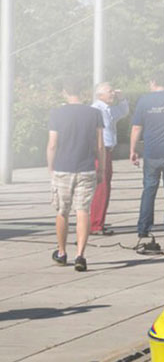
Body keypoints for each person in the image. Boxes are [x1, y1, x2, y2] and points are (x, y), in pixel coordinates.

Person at [47, 77, 105, 272]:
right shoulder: (94, 113)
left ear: (64, 92)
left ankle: (62, 253)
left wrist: (51, 167)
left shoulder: (56, 113)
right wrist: (102, 169)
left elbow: (53, 144)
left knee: (62, 211)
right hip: (87, 168)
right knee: (83, 211)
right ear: (83, 92)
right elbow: (99, 146)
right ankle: (81, 255)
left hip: (63, 168)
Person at [131, 71, 164, 239]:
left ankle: (144, 228)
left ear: (153, 82)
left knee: (149, 189)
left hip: (151, 153)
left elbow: (136, 127)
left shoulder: (144, 100)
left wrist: (133, 150)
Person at [89, 82, 129, 235]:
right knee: (101, 187)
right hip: (100, 151)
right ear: (100, 95)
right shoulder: (96, 109)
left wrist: (122, 98)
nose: (112, 93)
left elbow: (123, 111)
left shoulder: (108, 109)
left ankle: (99, 221)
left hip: (107, 151)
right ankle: (95, 224)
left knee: (106, 187)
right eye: (109, 91)